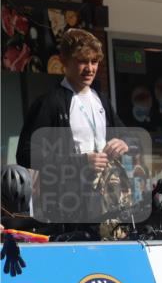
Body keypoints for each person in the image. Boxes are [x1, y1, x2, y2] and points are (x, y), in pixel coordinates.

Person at [16, 28, 128, 223]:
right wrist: (81, 162)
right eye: (82, 61)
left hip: (107, 202)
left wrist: (123, 142)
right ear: (64, 62)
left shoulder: (100, 100)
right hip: (68, 205)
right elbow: (25, 154)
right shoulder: (49, 102)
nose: (90, 68)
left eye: (94, 61)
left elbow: (125, 135)